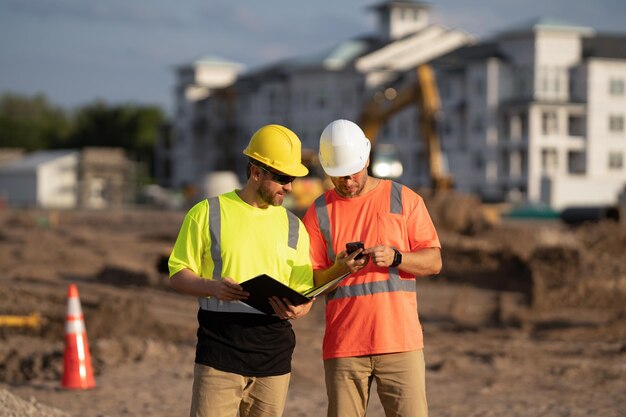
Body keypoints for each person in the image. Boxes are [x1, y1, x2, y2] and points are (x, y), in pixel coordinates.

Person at [168, 124, 316, 417]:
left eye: (293, 179)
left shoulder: (294, 226)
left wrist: (300, 309)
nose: (289, 187)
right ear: (256, 172)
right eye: (283, 178)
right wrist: (213, 287)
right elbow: (178, 274)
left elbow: (304, 292)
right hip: (219, 352)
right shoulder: (207, 213)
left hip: (273, 358)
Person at [302, 119, 443, 417]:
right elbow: (310, 283)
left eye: (352, 172)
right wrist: (338, 269)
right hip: (344, 347)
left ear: (366, 159)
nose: (347, 181)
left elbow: (434, 261)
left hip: (400, 344)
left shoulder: (404, 199)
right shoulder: (317, 212)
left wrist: (398, 257)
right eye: (337, 175)